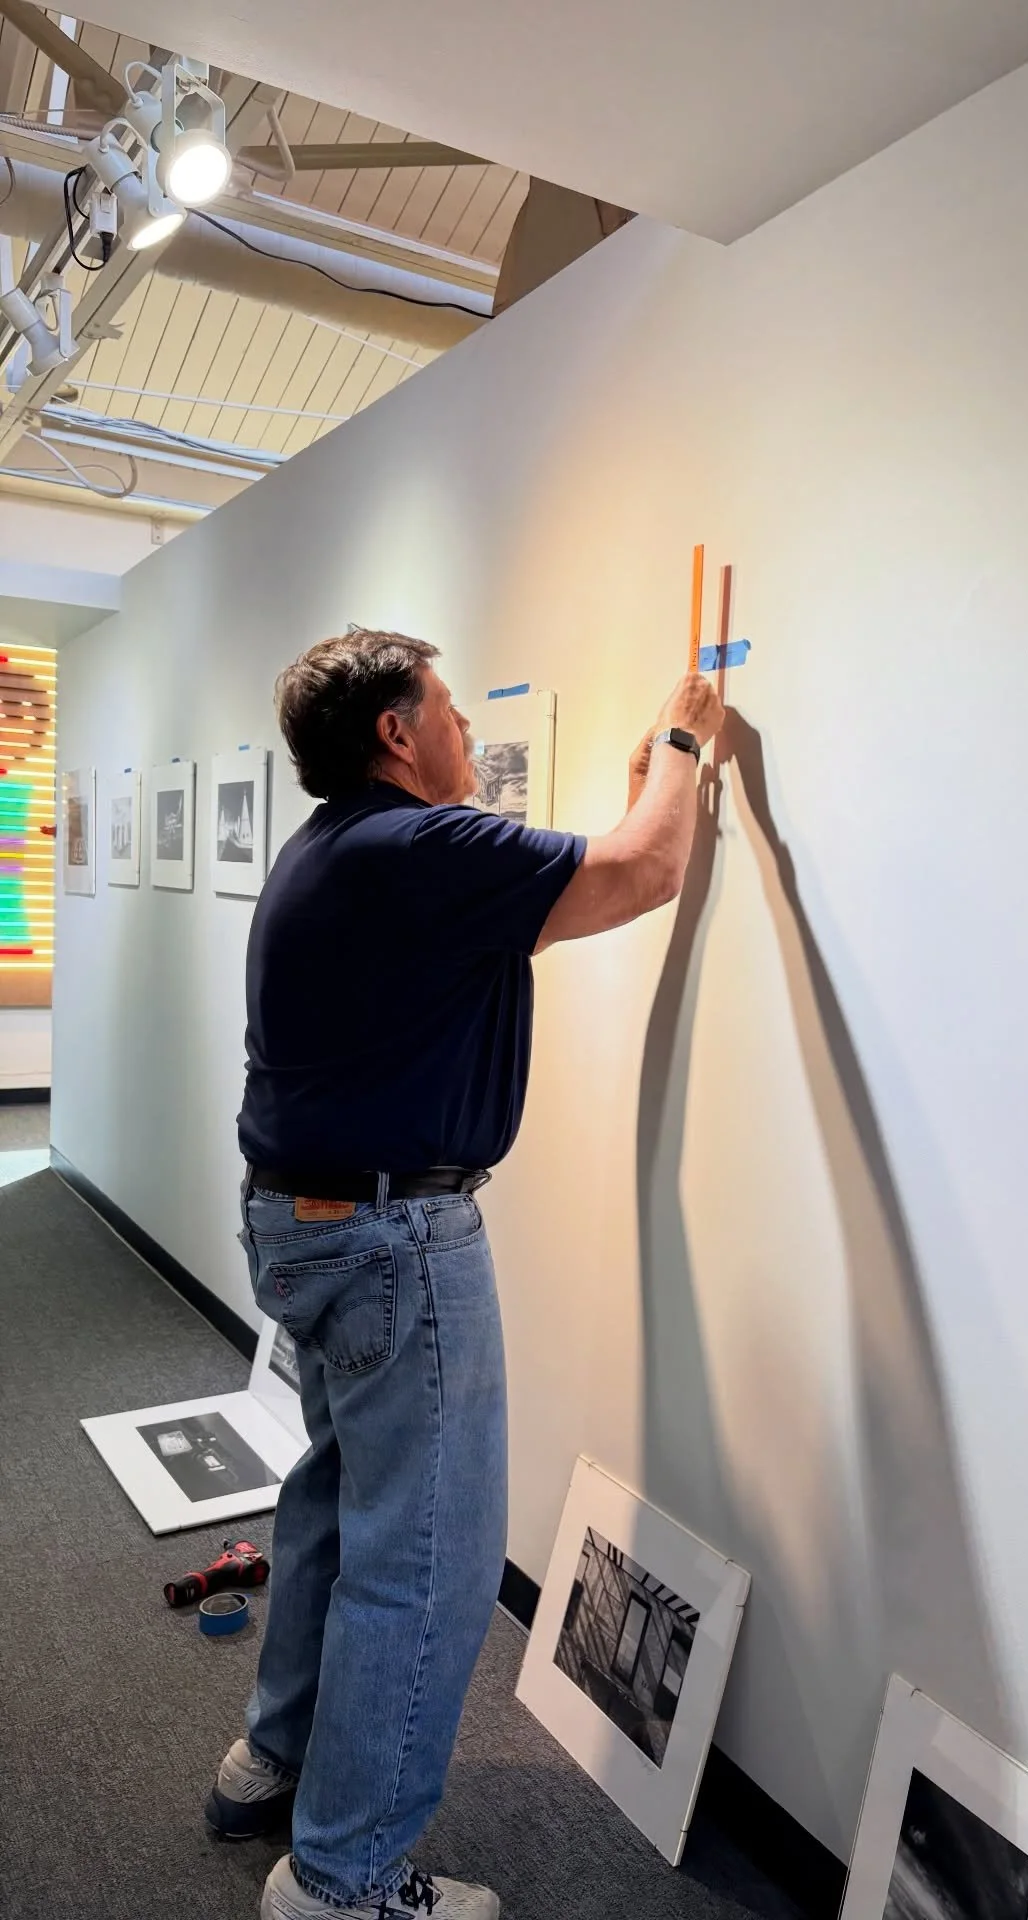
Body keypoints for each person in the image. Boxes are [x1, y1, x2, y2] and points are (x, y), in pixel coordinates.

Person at [209, 627, 724, 1920]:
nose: (459, 730)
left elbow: (574, 889)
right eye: (443, 706)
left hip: (307, 1229)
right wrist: (682, 746)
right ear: (396, 731)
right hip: (393, 1247)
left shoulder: (339, 853)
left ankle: (274, 1758)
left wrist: (633, 794)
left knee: (336, 1499)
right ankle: (343, 1879)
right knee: (426, 1562)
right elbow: (649, 870)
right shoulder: (415, 850)